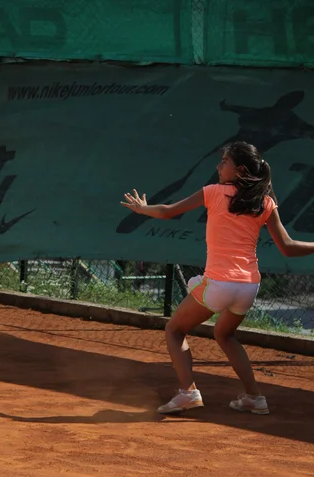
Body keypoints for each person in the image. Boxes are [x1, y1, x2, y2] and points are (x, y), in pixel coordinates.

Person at [121, 141, 314, 416]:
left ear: (240, 170)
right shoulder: (266, 202)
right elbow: (289, 247)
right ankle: (254, 398)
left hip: (219, 284)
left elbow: (167, 211)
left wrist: (142, 208)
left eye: (225, 161)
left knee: (174, 330)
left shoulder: (213, 192)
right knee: (225, 334)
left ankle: (188, 392)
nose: (219, 165)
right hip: (248, 287)